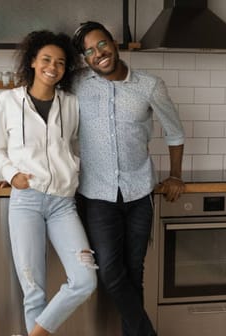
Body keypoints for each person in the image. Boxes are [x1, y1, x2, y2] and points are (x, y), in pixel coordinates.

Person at [71, 21, 185, 336]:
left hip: (139, 194)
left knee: (134, 272)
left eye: (102, 44)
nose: (99, 54)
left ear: (114, 43)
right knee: (109, 271)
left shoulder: (150, 85)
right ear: (85, 58)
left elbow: (175, 133)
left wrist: (175, 175)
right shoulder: (77, 83)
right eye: (90, 51)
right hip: (97, 195)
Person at [0, 30, 97, 336]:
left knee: (85, 279)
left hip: (63, 204)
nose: (53, 66)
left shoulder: (72, 103)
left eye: (60, 62)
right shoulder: (7, 101)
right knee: (33, 289)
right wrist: (10, 175)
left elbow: (74, 146)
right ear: (32, 62)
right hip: (27, 201)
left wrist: (70, 169)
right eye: (46, 59)